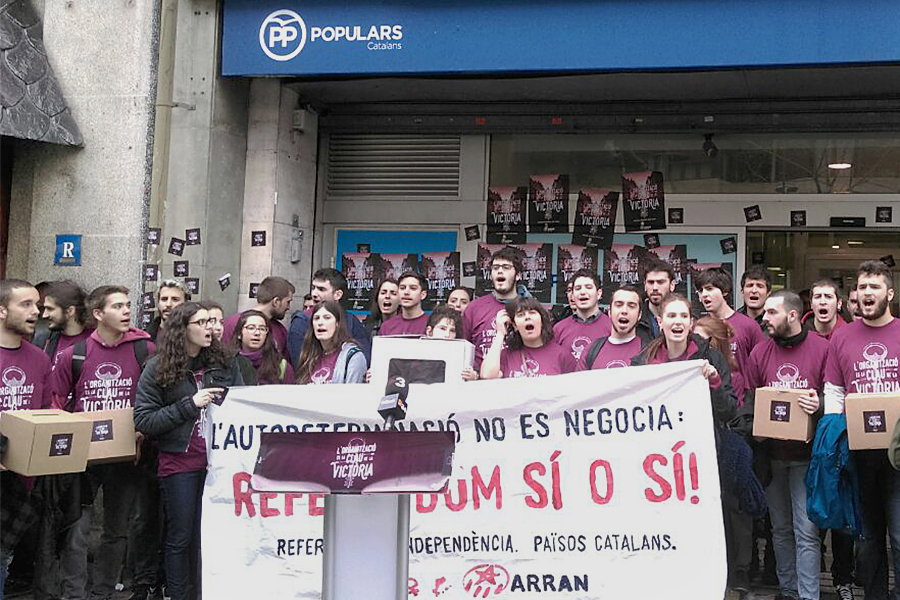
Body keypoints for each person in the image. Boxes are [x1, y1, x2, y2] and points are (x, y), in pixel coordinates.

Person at [134, 303, 244, 600]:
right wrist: (189, 405)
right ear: (182, 329)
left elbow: (244, 405)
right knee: (182, 535)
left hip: (220, 463)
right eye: (201, 323)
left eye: (211, 322)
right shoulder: (157, 367)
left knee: (212, 534)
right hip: (179, 463)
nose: (210, 328)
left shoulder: (225, 362)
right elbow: (144, 420)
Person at [51, 285, 154, 600]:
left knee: (117, 531)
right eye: (118, 306)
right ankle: (74, 593)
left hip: (126, 455)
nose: (127, 311)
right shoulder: (74, 355)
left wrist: (143, 432)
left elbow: (155, 399)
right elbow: (55, 404)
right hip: (83, 457)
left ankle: (103, 593)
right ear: (98, 314)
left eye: (128, 305)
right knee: (76, 530)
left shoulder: (144, 350)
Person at [824, 260, 899, 600]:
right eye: (862, 287)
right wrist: (835, 432)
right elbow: (834, 390)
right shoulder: (842, 336)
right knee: (868, 539)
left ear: (889, 294)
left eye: (875, 287)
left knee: (899, 536)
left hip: (898, 454)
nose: (867, 293)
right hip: (858, 453)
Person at [746, 290, 829, 600]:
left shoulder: (822, 349)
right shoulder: (760, 353)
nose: (765, 318)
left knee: (806, 531)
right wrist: (754, 429)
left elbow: (836, 396)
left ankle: (808, 595)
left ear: (792, 315)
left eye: (772, 312)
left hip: (808, 457)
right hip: (771, 456)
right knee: (779, 530)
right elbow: (750, 401)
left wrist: (819, 404)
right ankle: (788, 591)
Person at [0, 279, 53, 593]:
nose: (37, 312)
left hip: (20, 481)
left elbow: (43, 414)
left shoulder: (40, 359)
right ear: (1, 311)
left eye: (38, 305)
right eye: (26, 304)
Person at [695, 267, 766, 406]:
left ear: (725, 291)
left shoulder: (748, 326)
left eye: (709, 289)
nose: (704, 294)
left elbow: (761, 367)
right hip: (708, 402)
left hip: (741, 404)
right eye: (701, 290)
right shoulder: (698, 328)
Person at [288, 268, 372, 366]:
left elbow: (364, 358)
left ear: (338, 295)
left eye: (321, 289)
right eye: (313, 288)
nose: (314, 294)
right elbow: (299, 364)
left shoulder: (351, 321)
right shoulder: (301, 321)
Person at [480, 297, 575, 379]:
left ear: (541, 320)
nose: (527, 317)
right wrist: (500, 333)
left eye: (532, 313)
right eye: (520, 315)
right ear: (515, 325)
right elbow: (487, 376)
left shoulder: (562, 355)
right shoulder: (506, 355)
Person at [463, 247, 523, 370]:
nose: (500, 271)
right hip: (480, 378)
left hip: (516, 378)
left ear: (518, 275)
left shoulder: (529, 309)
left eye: (506, 267)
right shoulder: (474, 308)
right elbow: (463, 348)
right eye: (495, 268)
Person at [294, 301, 367, 384]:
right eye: (316, 318)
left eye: (327, 318)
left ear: (337, 323)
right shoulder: (309, 355)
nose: (320, 323)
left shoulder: (353, 356)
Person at [221, 276, 293, 360]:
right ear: (276, 301)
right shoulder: (233, 324)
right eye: (288, 302)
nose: (288, 308)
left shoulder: (281, 331)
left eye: (262, 329)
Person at [577, 286, 647, 370]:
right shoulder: (591, 351)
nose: (624, 311)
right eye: (619, 305)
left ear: (639, 315)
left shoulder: (649, 353)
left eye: (631, 306)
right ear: (609, 312)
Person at [552, 269, 612, 362]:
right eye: (578, 288)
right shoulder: (559, 329)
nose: (582, 292)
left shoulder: (611, 328)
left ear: (599, 294)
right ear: (572, 295)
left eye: (588, 287)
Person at [32, 280, 93, 363]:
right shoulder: (42, 340)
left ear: (69, 311)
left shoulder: (94, 342)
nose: (44, 315)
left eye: (50, 309)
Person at [230, 310, 291, 385]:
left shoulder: (280, 365)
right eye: (251, 328)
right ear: (239, 333)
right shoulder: (229, 362)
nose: (257, 333)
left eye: (262, 329)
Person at [423, 306, 478, 381]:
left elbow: (477, 372)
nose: (447, 334)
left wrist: (474, 376)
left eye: (452, 330)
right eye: (442, 328)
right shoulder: (419, 354)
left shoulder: (463, 355)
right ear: (429, 331)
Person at [637, 259, 677, 340]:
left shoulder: (684, 318)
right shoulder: (635, 319)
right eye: (651, 282)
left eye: (660, 282)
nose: (655, 288)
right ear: (645, 285)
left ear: (672, 285)